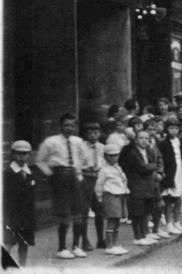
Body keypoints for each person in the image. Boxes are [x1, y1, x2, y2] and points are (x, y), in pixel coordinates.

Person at [36, 113, 88, 259]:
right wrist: (51, 175)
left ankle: (76, 246)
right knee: (63, 212)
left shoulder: (78, 141)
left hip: (74, 177)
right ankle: (62, 248)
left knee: (78, 211)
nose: (69, 128)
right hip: (59, 176)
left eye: (72, 125)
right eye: (66, 125)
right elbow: (40, 160)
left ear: (75, 127)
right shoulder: (51, 141)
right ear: (60, 126)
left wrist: (78, 173)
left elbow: (85, 158)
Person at [121, 130, 161, 246]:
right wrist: (153, 166)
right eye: (141, 138)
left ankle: (144, 234)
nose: (144, 141)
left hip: (147, 184)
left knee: (145, 211)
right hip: (137, 184)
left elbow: (152, 163)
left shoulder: (148, 150)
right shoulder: (133, 153)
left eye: (146, 138)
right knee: (137, 212)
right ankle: (137, 236)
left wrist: (152, 166)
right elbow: (142, 168)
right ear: (136, 140)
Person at [4, 140, 36, 265]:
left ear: (29, 155)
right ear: (13, 154)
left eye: (25, 154)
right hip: (12, 214)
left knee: (24, 243)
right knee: (9, 241)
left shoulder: (30, 173)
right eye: (18, 154)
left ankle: (23, 266)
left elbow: (31, 197)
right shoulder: (8, 173)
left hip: (26, 216)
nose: (21, 157)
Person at [94, 143, 130, 256]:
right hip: (110, 196)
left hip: (120, 196)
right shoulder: (104, 170)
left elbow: (123, 181)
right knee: (111, 221)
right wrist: (100, 198)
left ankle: (115, 243)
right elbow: (98, 186)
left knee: (117, 221)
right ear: (105, 156)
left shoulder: (118, 168)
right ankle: (109, 246)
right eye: (111, 155)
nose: (114, 158)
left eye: (116, 155)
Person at [158, 117, 182, 235]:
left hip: (179, 170)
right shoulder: (163, 143)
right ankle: (169, 224)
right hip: (170, 172)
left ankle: (177, 222)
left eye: (176, 128)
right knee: (168, 199)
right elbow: (163, 160)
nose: (174, 131)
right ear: (167, 129)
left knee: (179, 199)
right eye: (171, 128)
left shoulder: (180, 141)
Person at [79, 122, 106, 251]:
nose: (94, 134)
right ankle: (84, 240)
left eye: (96, 132)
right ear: (85, 133)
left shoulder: (102, 147)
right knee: (84, 211)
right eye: (90, 132)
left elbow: (105, 164)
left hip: (98, 179)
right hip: (85, 179)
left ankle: (101, 239)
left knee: (100, 211)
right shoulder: (80, 147)